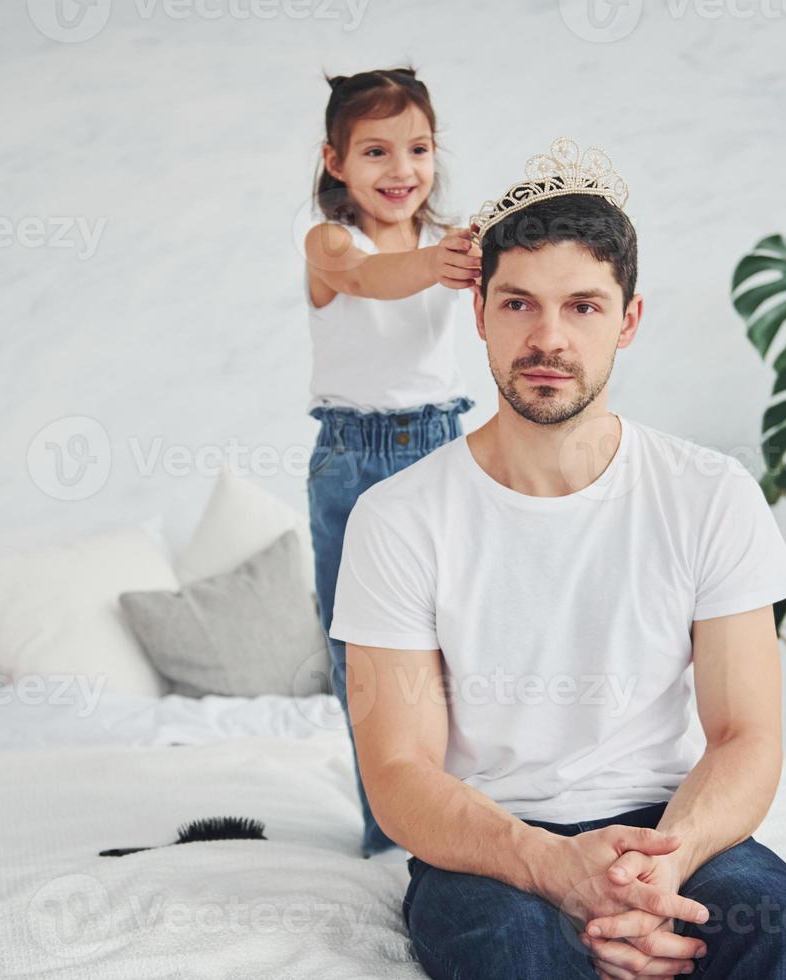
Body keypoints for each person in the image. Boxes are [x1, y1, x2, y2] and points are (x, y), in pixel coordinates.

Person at [328, 139, 786, 978]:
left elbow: (746, 735)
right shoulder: (397, 518)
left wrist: (658, 872)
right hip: (485, 837)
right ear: (481, 313)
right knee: (520, 949)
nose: (549, 337)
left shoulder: (710, 492)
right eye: (520, 305)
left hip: (671, 826)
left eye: (583, 307)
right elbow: (396, 771)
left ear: (628, 320)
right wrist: (550, 867)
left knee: (785, 934)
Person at [302, 66, 478, 857]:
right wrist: (441, 267)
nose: (401, 170)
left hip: (445, 448)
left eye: (418, 148)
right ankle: (391, 828)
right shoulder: (332, 243)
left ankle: (469, 808)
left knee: (463, 635)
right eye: (375, 151)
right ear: (336, 161)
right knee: (366, 651)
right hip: (354, 460)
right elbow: (371, 280)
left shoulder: (454, 247)